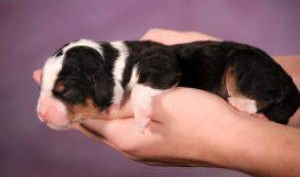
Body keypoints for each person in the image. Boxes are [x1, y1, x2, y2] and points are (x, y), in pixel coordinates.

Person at [33, 29, 300, 177]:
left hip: (239, 64)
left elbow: (166, 70)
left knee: (243, 70)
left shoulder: (141, 63)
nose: (42, 112)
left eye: (63, 92)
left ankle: (263, 102)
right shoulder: (123, 65)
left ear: (101, 85)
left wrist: (229, 138)